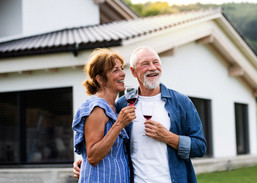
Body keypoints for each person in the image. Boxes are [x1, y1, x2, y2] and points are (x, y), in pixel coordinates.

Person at [74, 46, 207, 183]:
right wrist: (85, 163)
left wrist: (169, 137)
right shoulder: (122, 105)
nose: (152, 67)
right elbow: (106, 144)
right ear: (133, 71)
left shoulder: (181, 102)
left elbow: (200, 147)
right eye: (145, 64)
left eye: (156, 62)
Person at [72, 48, 136, 183]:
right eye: (115, 70)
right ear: (100, 79)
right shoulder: (97, 108)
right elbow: (93, 157)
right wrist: (119, 125)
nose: (123, 74)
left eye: (121, 68)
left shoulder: (115, 108)